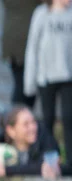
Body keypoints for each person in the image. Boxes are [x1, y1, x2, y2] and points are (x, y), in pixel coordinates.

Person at [24, 0, 72, 161]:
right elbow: (32, 47)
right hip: (46, 77)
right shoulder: (41, 14)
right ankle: (48, 161)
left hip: (68, 76)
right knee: (47, 120)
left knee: (69, 118)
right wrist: (29, 81)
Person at [4, 0, 43, 108]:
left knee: (25, 88)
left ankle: (20, 120)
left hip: (20, 38)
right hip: (22, 41)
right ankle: (17, 121)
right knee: (23, 88)